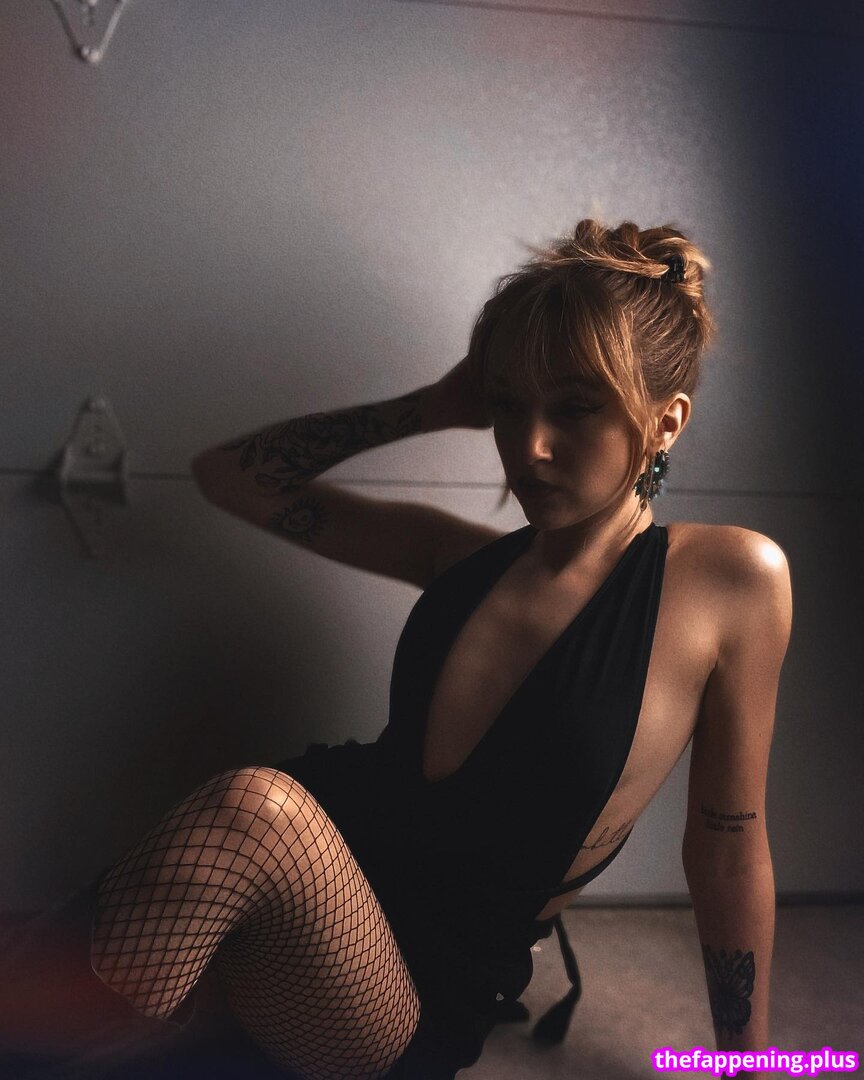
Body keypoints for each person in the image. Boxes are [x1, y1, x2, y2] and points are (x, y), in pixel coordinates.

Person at [0, 219, 792, 1080]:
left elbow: (728, 850)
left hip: (407, 989)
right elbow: (229, 477)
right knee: (76, 961)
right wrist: (434, 406)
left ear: (666, 423)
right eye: (507, 405)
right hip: (298, 871)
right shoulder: (458, 560)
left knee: (251, 813)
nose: (528, 447)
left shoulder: (728, 580)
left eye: (573, 407)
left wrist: (747, 1068)